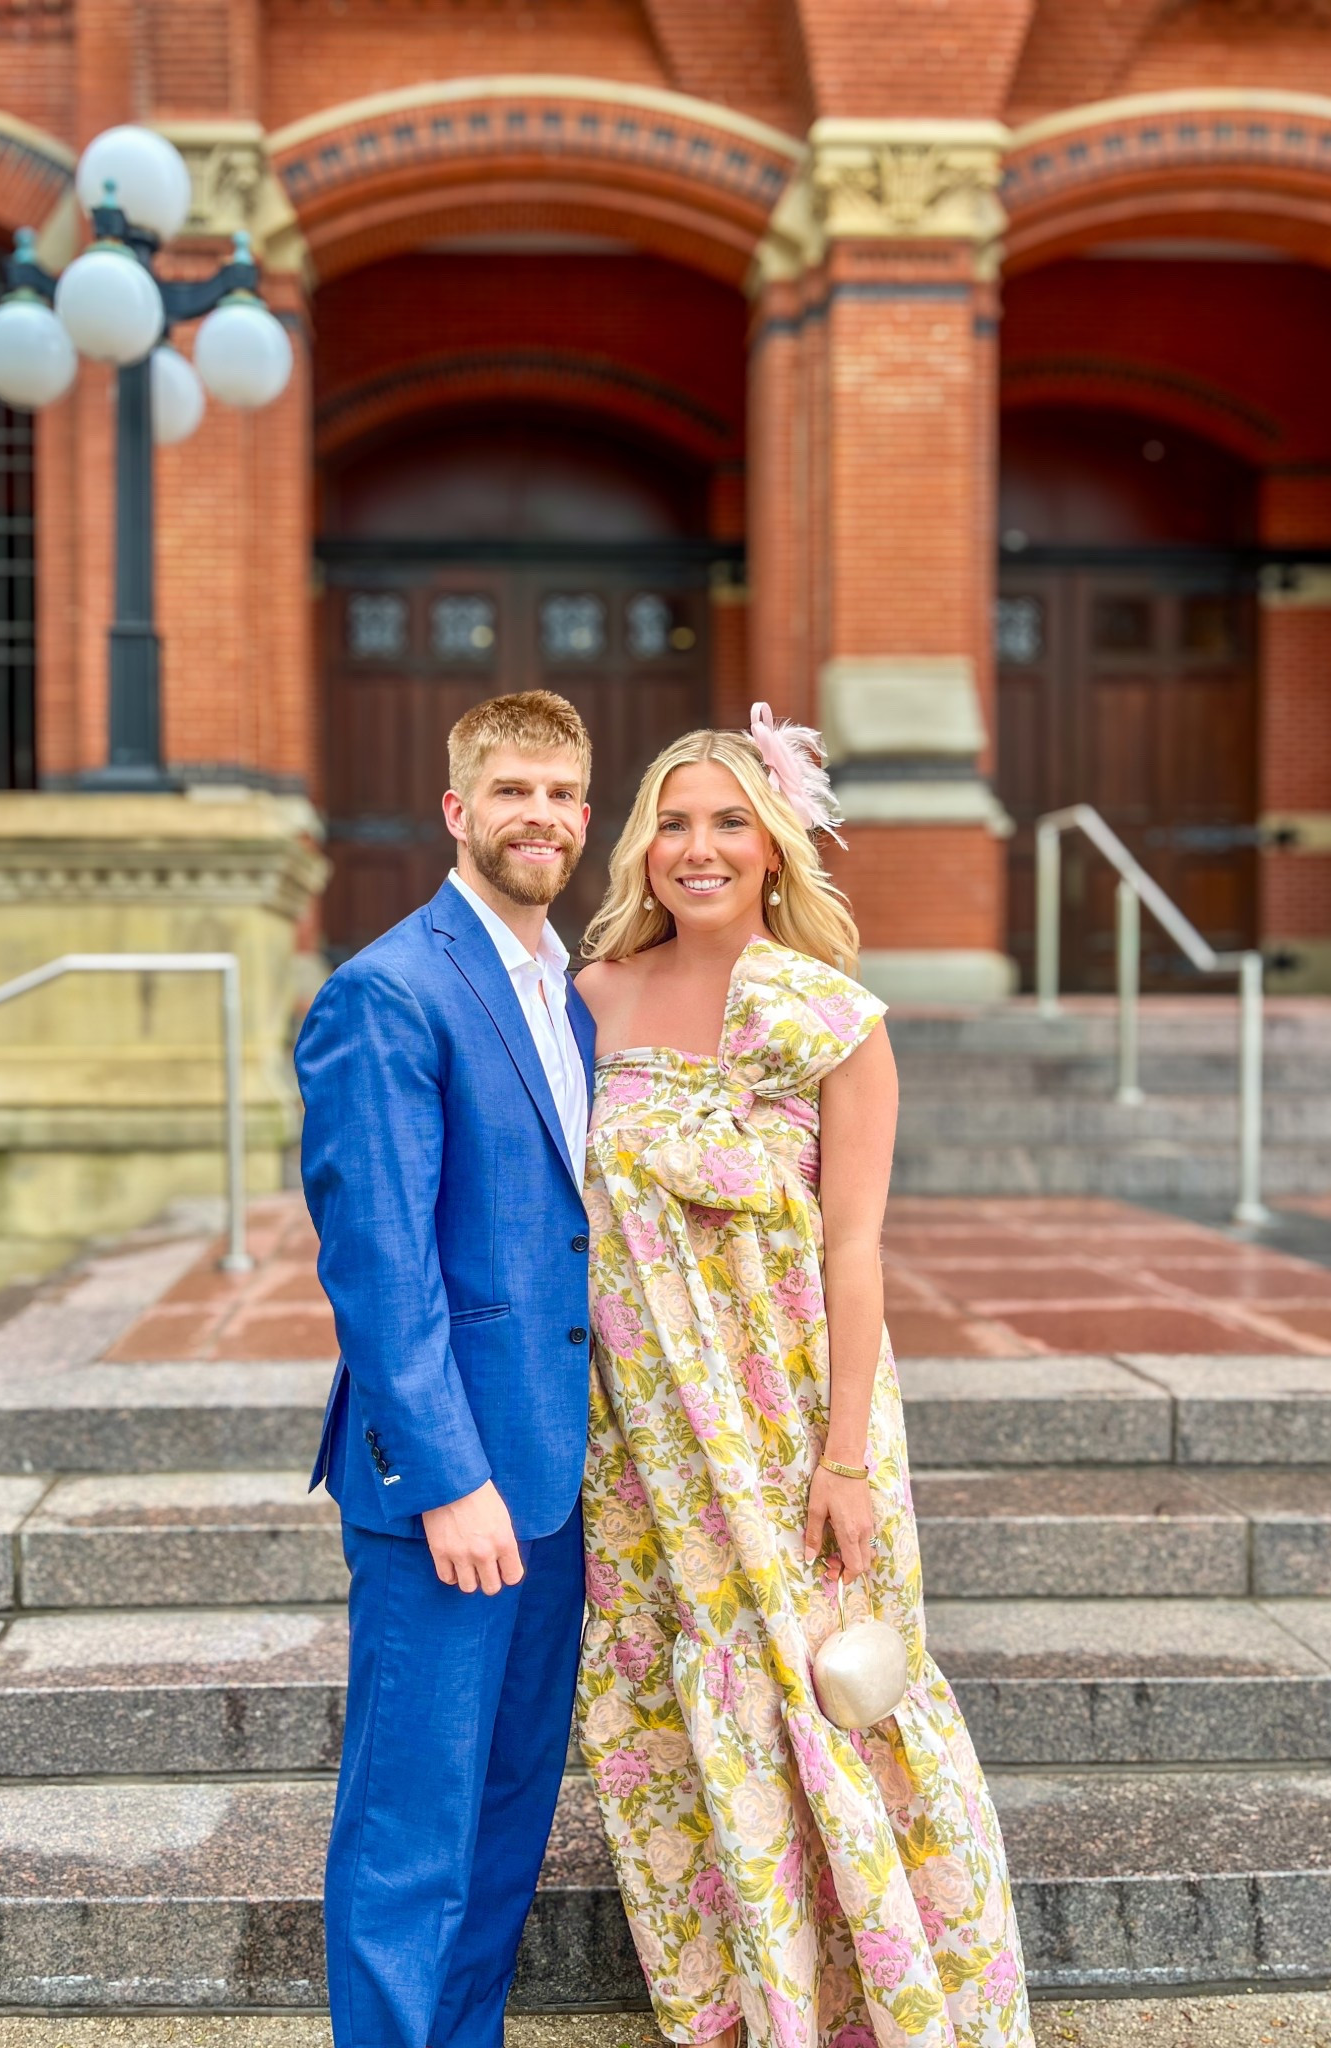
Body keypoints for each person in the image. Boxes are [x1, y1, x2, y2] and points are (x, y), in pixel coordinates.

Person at [573, 708, 1033, 2048]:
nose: (697, 847)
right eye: (672, 821)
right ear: (642, 846)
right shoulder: (585, 998)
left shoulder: (833, 1015)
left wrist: (843, 1459)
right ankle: (743, 2002)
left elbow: (856, 1246)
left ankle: (894, 2006)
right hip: (647, 1426)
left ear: (775, 845)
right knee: (680, 1685)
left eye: (728, 821)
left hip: (792, 1410)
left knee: (838, 1688)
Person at [295, 690, 597, 2048]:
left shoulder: (568, 996)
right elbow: (380, 1271)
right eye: (514, 790)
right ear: (456, 809)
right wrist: (446, 1478)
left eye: (564, 793)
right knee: (413, 1827)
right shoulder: (387, 988)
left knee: (505, 1818)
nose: (541, 815)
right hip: (453, 1495)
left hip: (559, 1482)